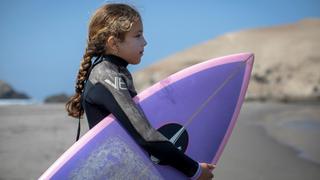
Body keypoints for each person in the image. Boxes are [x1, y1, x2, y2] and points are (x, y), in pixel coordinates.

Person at [65, 3, 215, 179]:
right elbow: (145, 135)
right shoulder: (106, 76)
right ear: (113, 43)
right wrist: (194, 170)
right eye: (138, 35)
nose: (145, 42)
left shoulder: (117, 72)